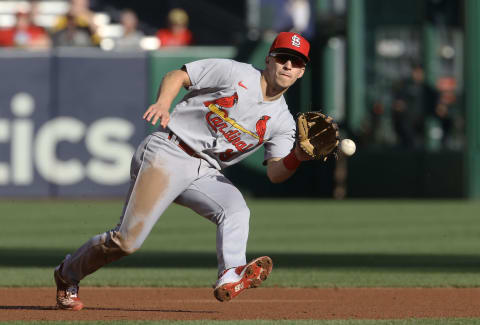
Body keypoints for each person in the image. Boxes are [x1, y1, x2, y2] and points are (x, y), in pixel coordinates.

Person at [54, 31, 312, 310]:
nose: (288, 66)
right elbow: (177, 76)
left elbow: (275, 173)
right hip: (169, 150)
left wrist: (296, 156)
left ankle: (230, 273)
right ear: (269, 58)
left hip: (205, 170)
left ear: (301, 72)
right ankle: (67, 274)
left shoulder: (283, 122)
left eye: (296, 62)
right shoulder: (235, 72)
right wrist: (163, 104)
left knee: (236, 210)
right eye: (283, 57)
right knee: (126, 242)